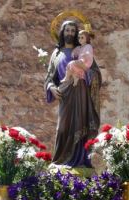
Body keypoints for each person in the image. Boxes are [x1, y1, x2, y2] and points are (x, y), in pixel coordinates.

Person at [44, 20, 101, 167]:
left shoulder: (82, 50)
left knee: (80, 124)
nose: (70, 33)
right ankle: (61, 160)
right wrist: (51, 87)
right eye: (67, 30)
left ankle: (80, 162)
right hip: (64, 93)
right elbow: (50, 77)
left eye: (73, 31)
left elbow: (94, 71)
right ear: (62, 32)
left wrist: (87, 74)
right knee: (63, 128)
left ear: (76, 34)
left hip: (80, 92)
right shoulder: (56, 54)